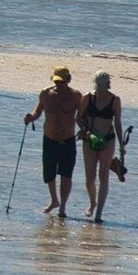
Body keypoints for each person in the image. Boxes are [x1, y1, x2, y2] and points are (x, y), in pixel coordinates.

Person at [24, 67, 79, 217]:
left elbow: (81, 117)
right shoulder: (46, 94)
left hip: (67, 139)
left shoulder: (75, 96)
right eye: (56, 81)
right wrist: (31, 117)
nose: (59, 84)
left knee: (66, 174)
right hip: (49, 138)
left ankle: (63, 207)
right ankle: (54, 200)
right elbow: (38, 112)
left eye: (61, 82)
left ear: (68, 80)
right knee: (49, 173)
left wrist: (85, 129)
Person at [79, 71, 124, 223]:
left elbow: (117, 122)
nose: (102, 88)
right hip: (90, 139)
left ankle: (99, 213)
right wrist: (85, 130)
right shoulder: (88, 97)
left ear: (108, 84)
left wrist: (121, 145)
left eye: (104, 85)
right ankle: (92, 202)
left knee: (103, 175)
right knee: (90, 177)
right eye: (99, 85)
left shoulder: (115, 100)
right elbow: (78, 118)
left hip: (108, 139)